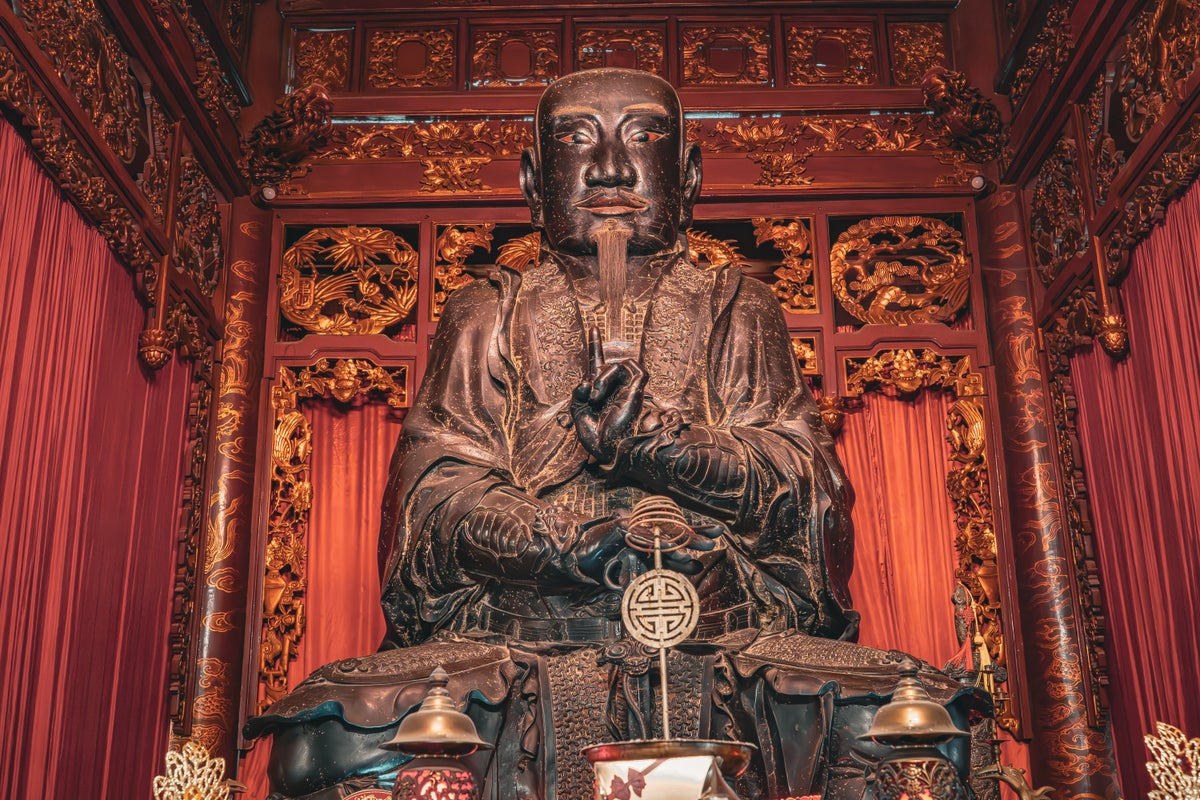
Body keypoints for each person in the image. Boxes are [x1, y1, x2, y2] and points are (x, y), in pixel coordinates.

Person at [246, 68, 985, 800]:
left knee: (919, 724)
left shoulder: (738, 307)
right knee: (326, 736)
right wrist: (559, 544)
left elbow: (804, 485)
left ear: (688, 176)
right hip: (519, 645)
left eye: (642, 137)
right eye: (575, 139)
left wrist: (665, 449)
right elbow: (436, 493)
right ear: (536, 181)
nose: (608, 168)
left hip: (721, 641)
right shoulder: (487, 311)